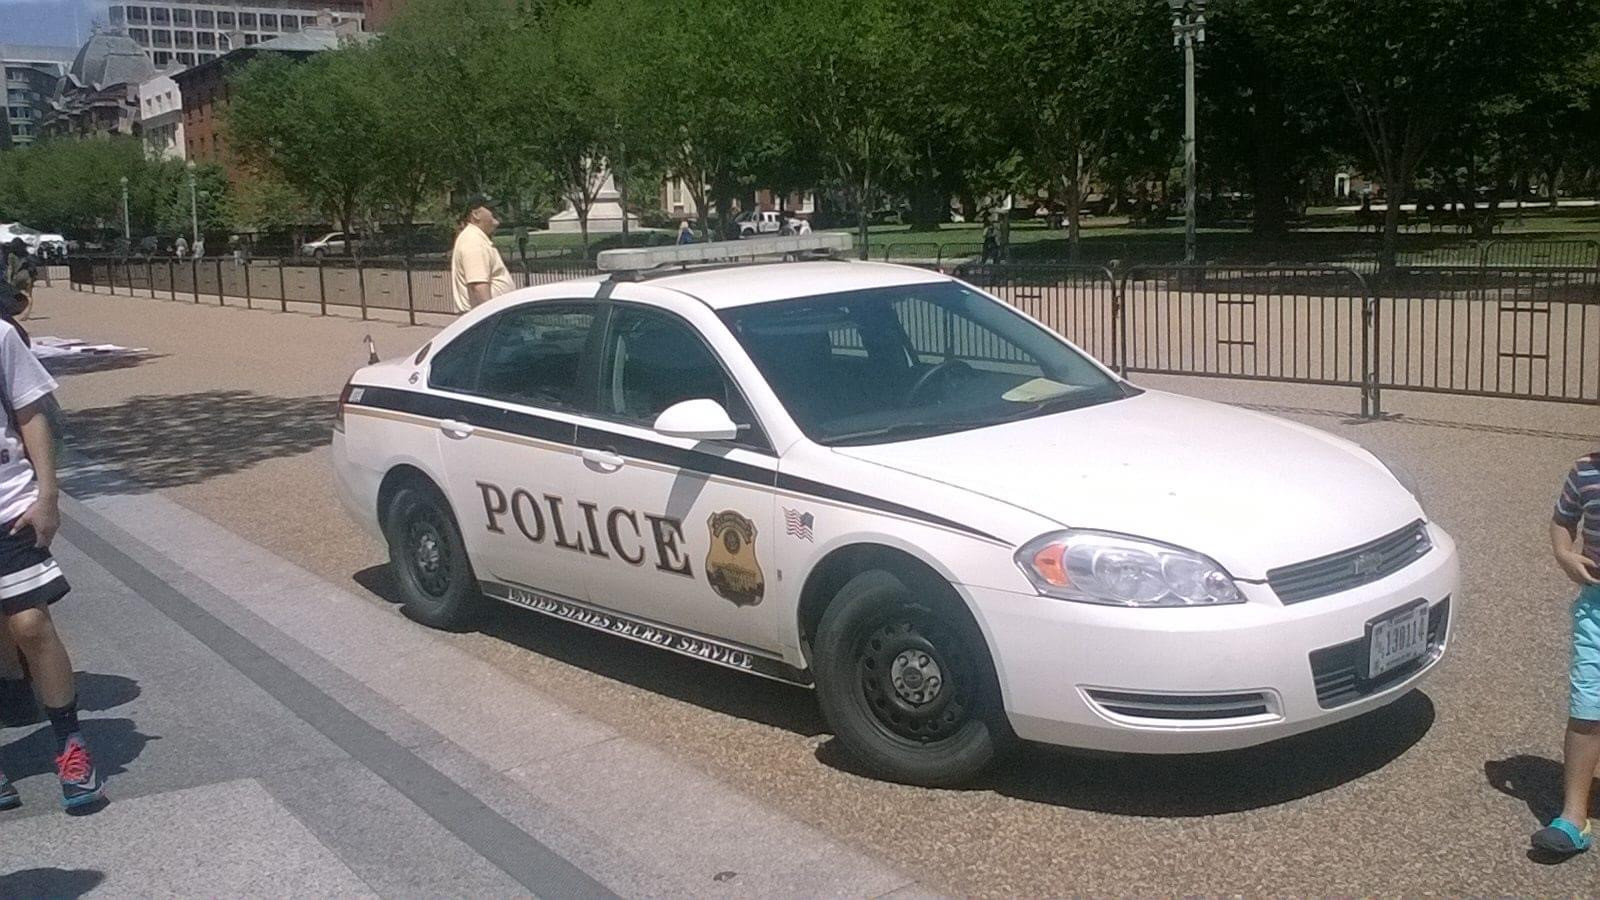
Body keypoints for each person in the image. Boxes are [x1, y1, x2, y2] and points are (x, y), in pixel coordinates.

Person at [0, 316, 103, 811]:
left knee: (31, 623)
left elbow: (31, 412)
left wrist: (48, 493)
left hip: (8, 505)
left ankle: (70, 743)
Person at [1533, 450, 1600, 856]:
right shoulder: (1586, 469)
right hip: (1597, 607)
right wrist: (1563, 554)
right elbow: (1562, 520)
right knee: (1587, 709)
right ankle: (1574, 816)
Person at [449, 195, 513, 314]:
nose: (495, 212)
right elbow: (478, 286)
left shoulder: (476, 238)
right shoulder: (474, 242)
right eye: (491, 209)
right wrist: (491, 317)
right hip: (483, 319)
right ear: (476, 214)